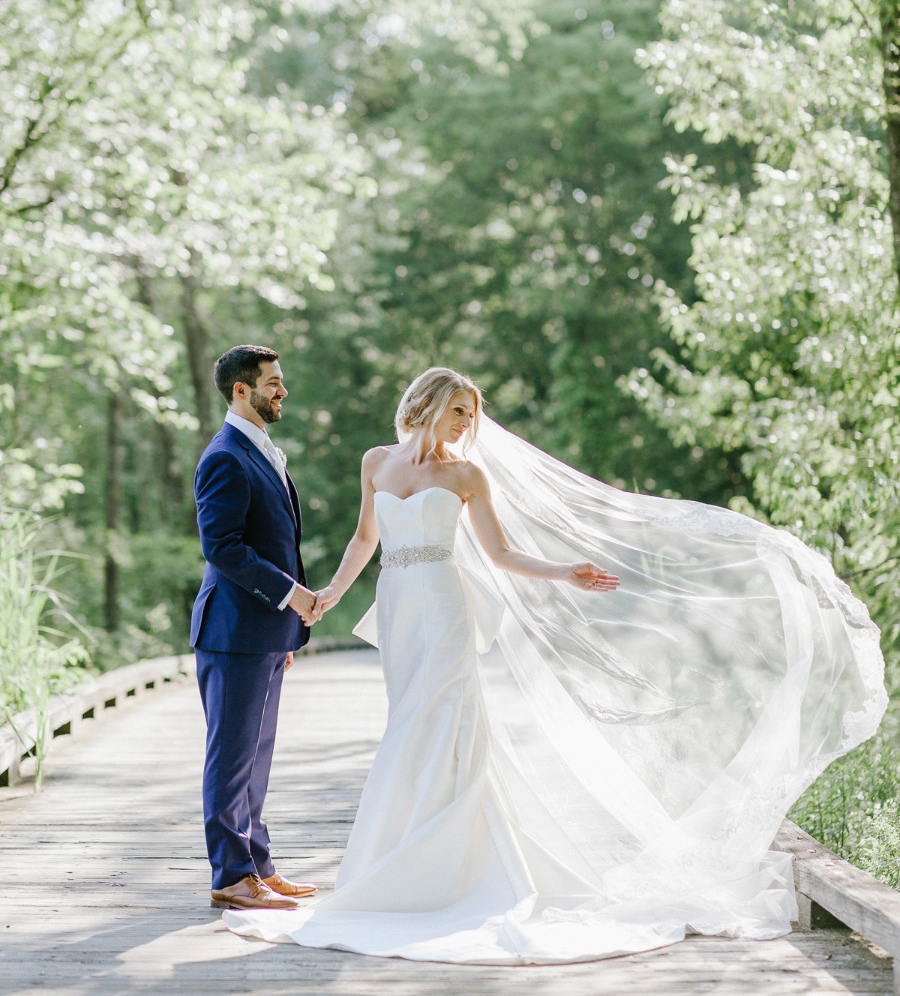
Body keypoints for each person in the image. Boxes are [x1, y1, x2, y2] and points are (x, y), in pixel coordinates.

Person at [222, 366, 886, 964]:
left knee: (446, 717)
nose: (466, 425)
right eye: (458, 411)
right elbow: (365, 539)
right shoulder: (377, 463)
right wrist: (331, 595)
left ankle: (448, 866)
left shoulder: (466, 475)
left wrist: (564, 572)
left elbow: (502, 554)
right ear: (425, 405)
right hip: (398, 605)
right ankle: (396, 859)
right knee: (406, 722)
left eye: (471, 416)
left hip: (447, 604)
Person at [191, 344, 319, 910]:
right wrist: (291, 596)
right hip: (232, 630)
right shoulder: (224, 456)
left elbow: (277, 539)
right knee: (231, 753)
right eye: (273, 383)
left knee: (257, 755)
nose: (282, 391)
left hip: (262, 632)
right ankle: (229, 876)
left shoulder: (262, 450)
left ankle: (257, 867)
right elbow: (222, 548)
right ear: (241, 390)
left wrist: (284, 628)